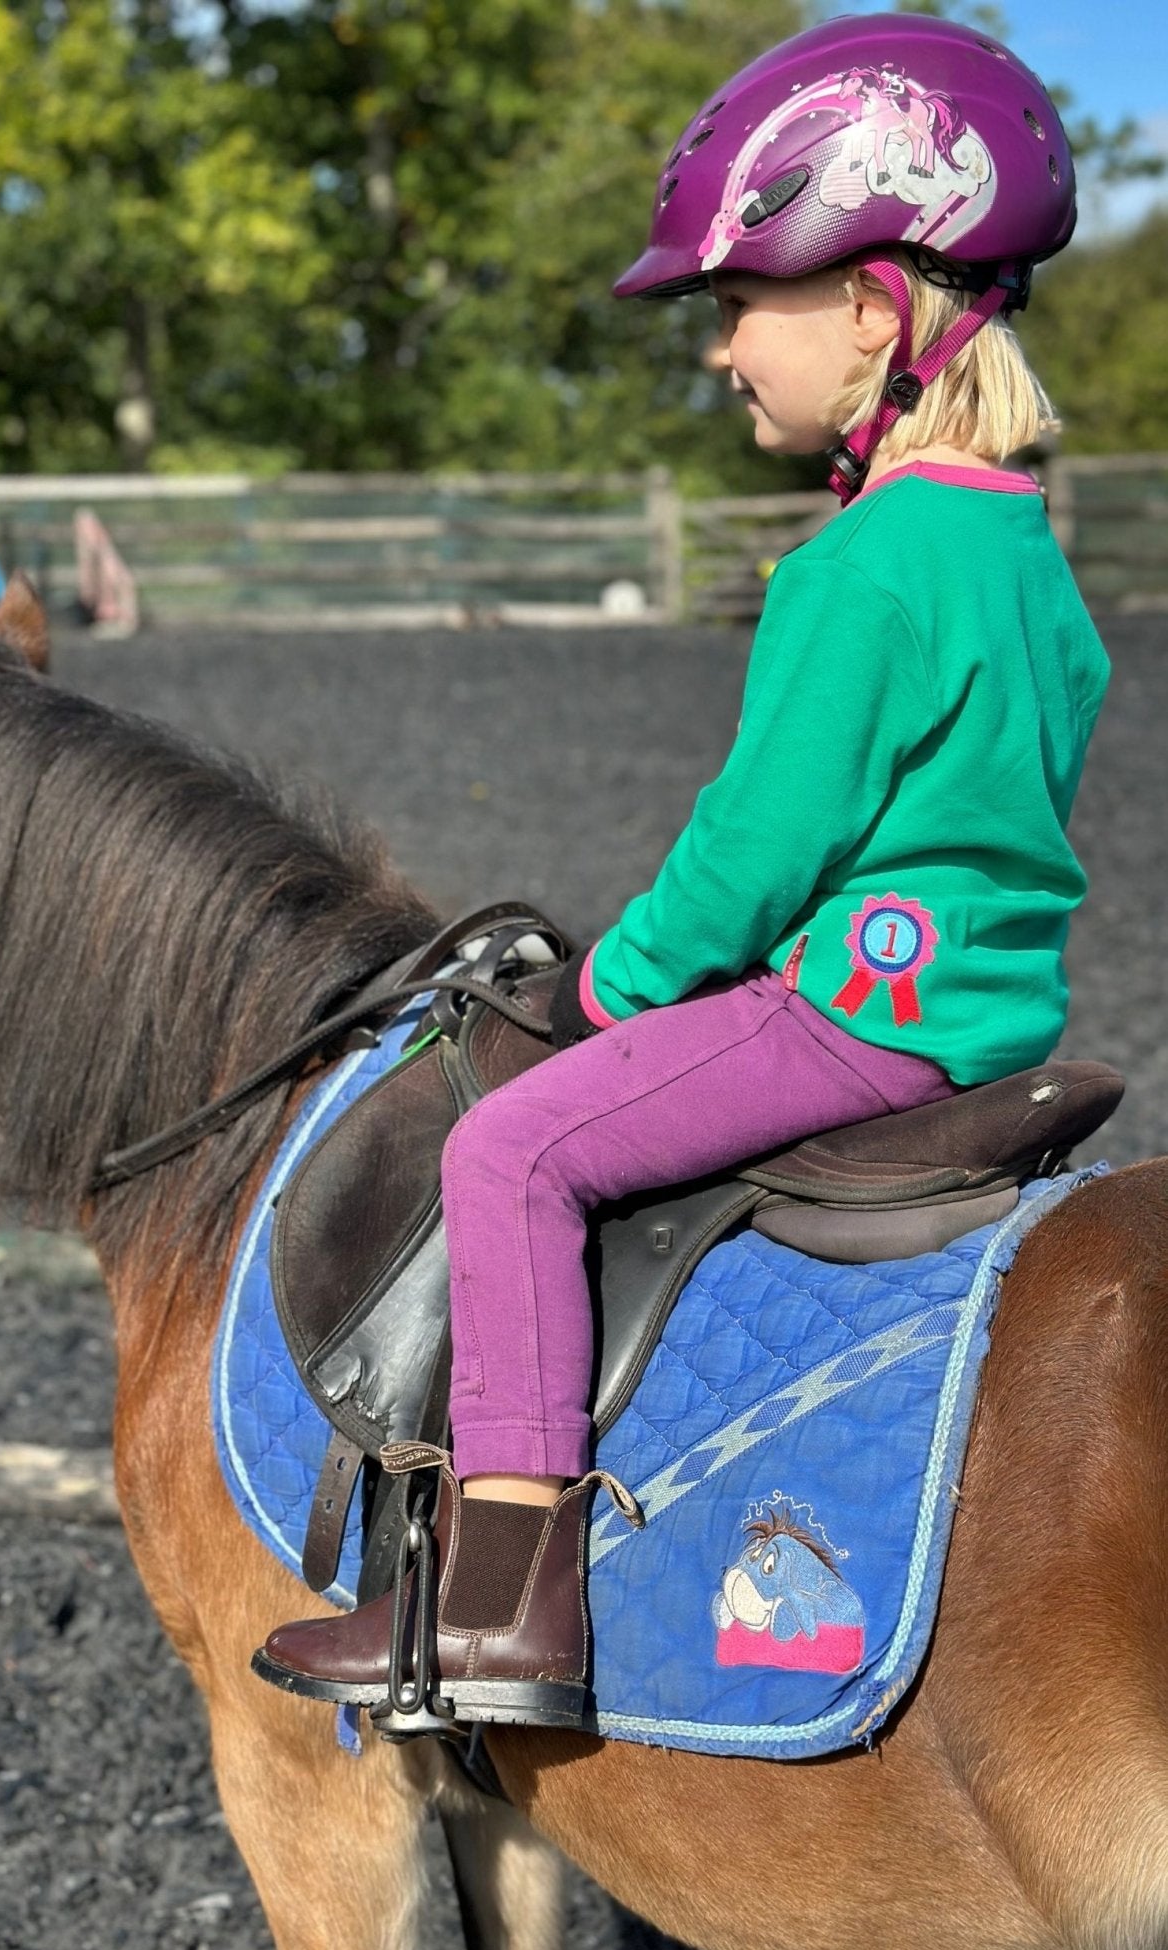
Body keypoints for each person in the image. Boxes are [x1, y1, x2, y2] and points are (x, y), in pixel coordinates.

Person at [251, 12, 1111, 1730]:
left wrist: (613, 982)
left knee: (507, 1151)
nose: (720, 355)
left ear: (869, 307)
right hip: (984, 1010)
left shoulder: (859, 571)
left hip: (854, 1013)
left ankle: (501, 1599)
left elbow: (749, 853)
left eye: (734, 309)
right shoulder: (1019, 549)